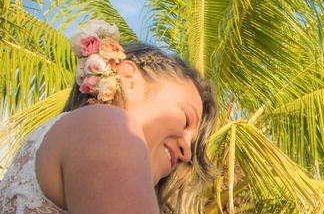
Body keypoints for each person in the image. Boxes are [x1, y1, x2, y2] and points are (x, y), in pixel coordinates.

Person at [0, 20, 217, 214]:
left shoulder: (61, 139)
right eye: (187, 120)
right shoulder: (110, 125)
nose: (187, 153)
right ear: (128, 79)